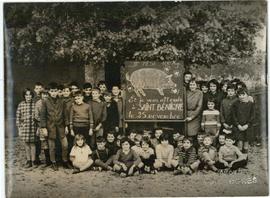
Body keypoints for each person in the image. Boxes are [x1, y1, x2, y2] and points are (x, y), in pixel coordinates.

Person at [40, 82, 70, 171]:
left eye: (55, 91)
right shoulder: (45, 102)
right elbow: (43, 116)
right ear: (49, 92)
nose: (53, 93)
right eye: (52, 91)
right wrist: (44, 128)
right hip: (50, 127)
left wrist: (66, 126)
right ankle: (53, 162)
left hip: (61, 127)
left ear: (58, 91)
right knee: (52, 147)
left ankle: (65, 161)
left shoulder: (62, 101)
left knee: (65, 145)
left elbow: (65, 115)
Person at [16, 88, 38, 168]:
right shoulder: (21, 104)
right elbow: (18, 118)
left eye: (30, 95)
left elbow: (37, 115)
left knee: (32, 144)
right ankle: (28, 161)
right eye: (26, 95)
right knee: (26, 144)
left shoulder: (34, 104)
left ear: (32, 96)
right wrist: (19, 130)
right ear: (24, 96)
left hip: (33, 127)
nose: (28, 97)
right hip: (24, 128)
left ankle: (33, 161)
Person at [232, 88, 255, 153]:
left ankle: (245, 157)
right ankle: (240, 158)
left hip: (247, 127)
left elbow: (252, 116)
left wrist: (247, 125)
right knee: (240, 141)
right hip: (238, 127)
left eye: (243, 94)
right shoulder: (235, 104)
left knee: (246, 141)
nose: (241, 96)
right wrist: (238, 125)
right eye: (239, 95)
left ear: (247, 95)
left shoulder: (251, 104)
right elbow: (234, 116)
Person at [34, 90, 51, 168]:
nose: (45, 96)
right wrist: (42, 125)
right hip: (42, 125)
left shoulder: (50, 102)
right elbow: (36, 116)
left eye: (46, 94)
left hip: (51, 125)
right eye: (43, 94)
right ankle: (48, 161)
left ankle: (54, 159)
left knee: (51, 142)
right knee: (44, 143)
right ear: (41, 95)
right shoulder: (38, 103)